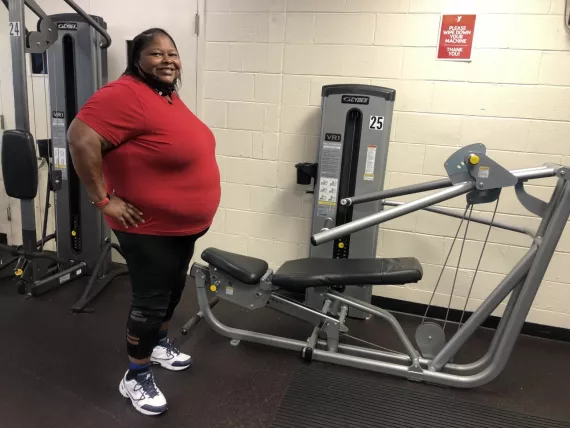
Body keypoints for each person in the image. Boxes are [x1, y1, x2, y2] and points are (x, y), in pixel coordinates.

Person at [67, 28, 221, 416]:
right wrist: (102, 200)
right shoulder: (125, 94)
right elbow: (80, 137)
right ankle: (135, 376)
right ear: (137, 59)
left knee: (171, 291)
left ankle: (157, 345)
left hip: (180, 228)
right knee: (151, 301)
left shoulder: (164, 96)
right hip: (148, 227)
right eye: (156, 54)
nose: (168, 59)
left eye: (173, 53)